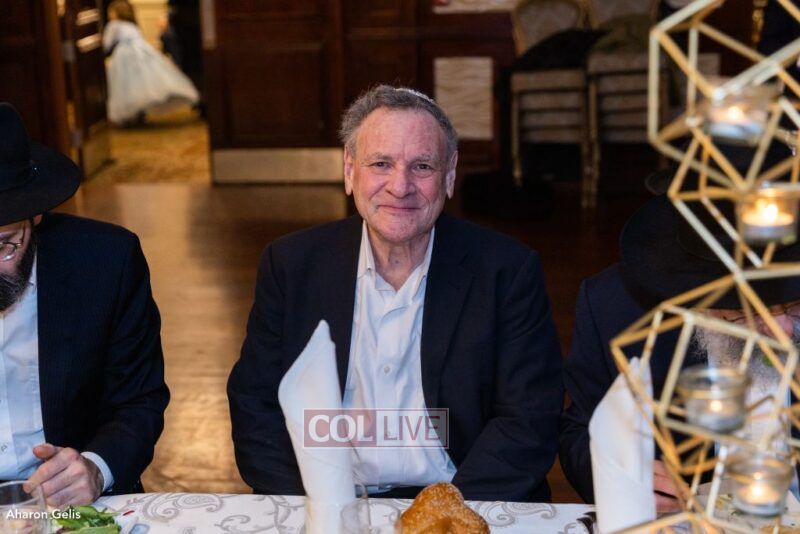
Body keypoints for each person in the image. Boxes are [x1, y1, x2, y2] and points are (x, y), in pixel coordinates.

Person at [227, 85, 563, 502]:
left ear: (450, 174)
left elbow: (529, 418)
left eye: (422, 166)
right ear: (350, 170)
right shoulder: (292, 265)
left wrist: (443, 514)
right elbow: (255, 404)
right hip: (323, 502)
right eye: (381, 164)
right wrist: (323, 509)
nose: (400, 186)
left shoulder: (507, 272)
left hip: (461, 500)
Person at [559, 147, 800, 511]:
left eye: (792, 303)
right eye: (746, 313)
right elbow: (581, 430)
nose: (781, 328)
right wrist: (621, 480)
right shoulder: (616, 308)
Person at [0, 103, 169, 506]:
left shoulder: (106, 262)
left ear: (36, 217)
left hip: (70, 507)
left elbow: (138, 402)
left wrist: (94, 468)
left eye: (4, 245)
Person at [103, 0, 199, 125]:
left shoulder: (114, 25)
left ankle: (130, 115)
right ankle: (140, 113)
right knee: (140, 84)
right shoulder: (133, 25)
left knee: (126, 85)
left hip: (123, 56)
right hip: (142, 53)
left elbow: (106, 44)